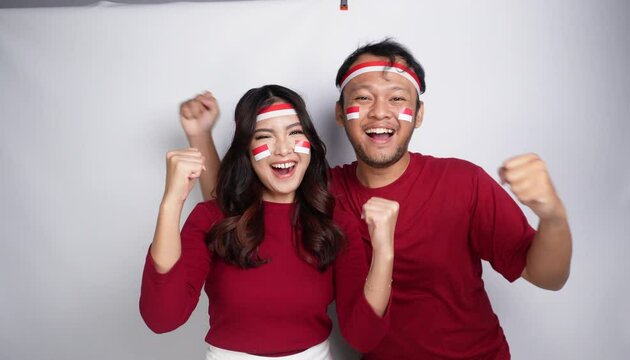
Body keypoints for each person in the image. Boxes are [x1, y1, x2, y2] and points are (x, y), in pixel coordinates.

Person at [181, 40, 573, 359]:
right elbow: (232, 211)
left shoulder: (463, 181)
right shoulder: (320, 192)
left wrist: (553, 217)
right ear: (340, 114)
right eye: (363, 99)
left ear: (418, 115)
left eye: (398, 99)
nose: (380, 112)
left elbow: (547, 277)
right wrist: (201, 135)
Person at [140, 85, 396, 360]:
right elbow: (162, 318)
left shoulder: (336, 223)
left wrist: (384, 252)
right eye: (265, 136)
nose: (284, 149)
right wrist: (171, 203)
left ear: (310, 142)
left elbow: (364, 336)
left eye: (295, 132)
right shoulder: (211, 218)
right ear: (246, 152)